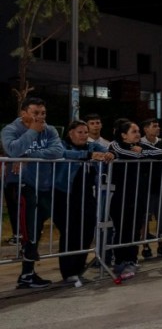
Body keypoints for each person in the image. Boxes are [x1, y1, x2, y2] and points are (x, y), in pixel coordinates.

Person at [1, 97, 64, 289]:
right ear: (23, 113)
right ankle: (27, 254)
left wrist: (28, 156)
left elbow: (58, 151)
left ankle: (27, 274)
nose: (40, 117)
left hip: (43, 185)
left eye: (43, 113)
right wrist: (31, 132)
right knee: (28, 223)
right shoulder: (10, 130)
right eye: (35, 113)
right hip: (19, 184)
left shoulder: (50, 130)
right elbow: (12, 150)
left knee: (37, 225)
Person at [53, 120, 114, 285]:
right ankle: (68, 272)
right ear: (71, 133)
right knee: (69, 233)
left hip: (86, 194)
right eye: (80, 132)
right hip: (64, 194)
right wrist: (87, 155)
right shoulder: (61, 144)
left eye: (85, 132)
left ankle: (78, 270)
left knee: (87, 230)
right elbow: (62, 154)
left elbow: (107, 150)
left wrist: (110, 154)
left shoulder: (91, 146)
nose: (84, 135)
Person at [108, 119, 162, 279]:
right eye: (134, 132)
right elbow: (126, 154)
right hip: (120, 194)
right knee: (122, 228)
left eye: (138, 132)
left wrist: (142, 152)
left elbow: (161, 153)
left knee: (135, 227)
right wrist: (140, 154)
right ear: (123, 135)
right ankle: (120, 261)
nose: (138, 134)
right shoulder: (115, 145)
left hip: (138, 193)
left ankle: (131, 260)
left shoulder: (139, 146)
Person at [139, 118, 162, 260]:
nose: (158, 128)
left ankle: (161, 245)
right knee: (145, 216)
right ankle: (145, 246)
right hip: (145, 184)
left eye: (158, 126)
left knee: (161, 216)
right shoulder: (139, 143)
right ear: (146, 129)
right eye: (154, 126)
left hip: (160, 183)